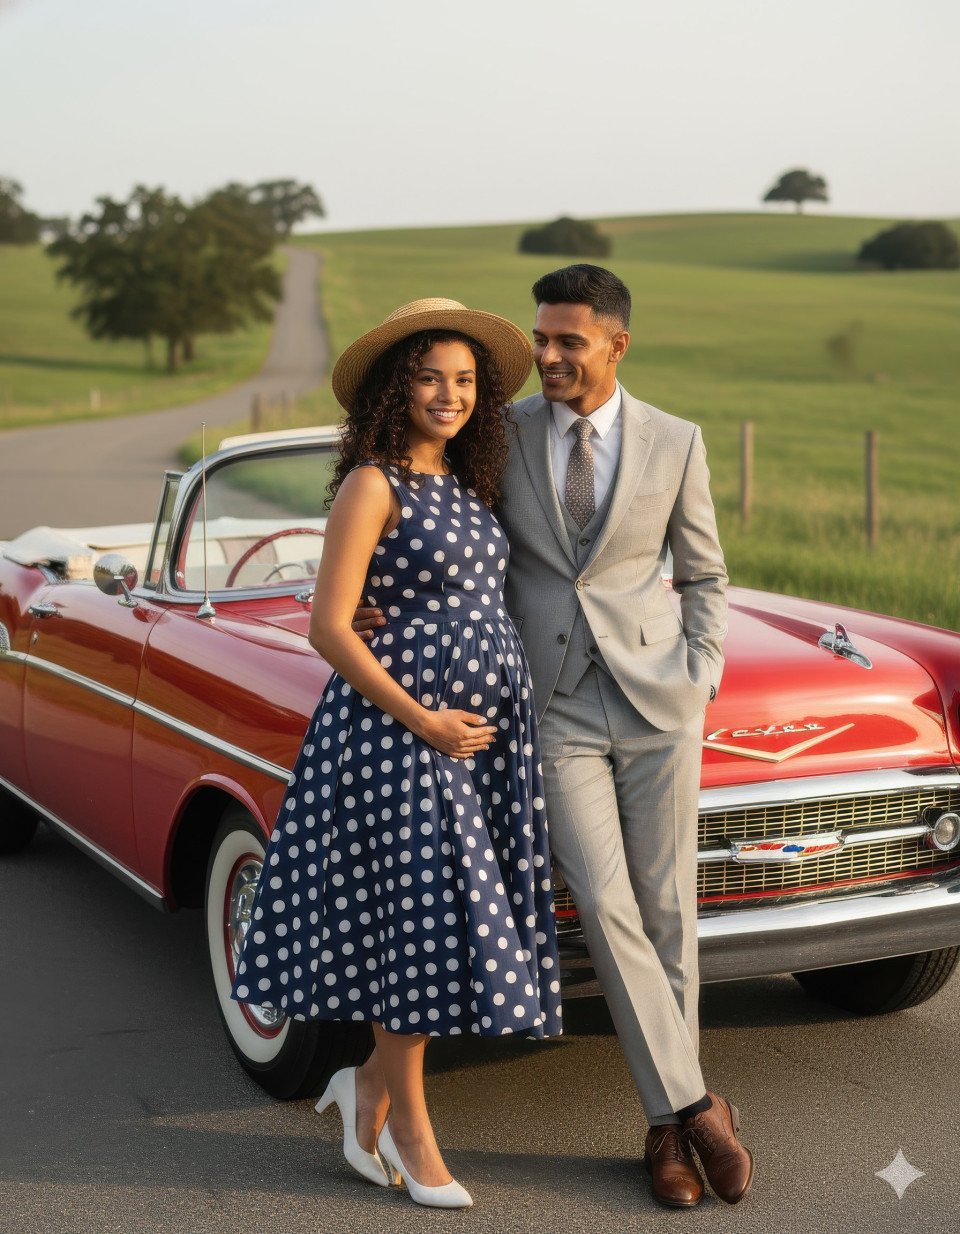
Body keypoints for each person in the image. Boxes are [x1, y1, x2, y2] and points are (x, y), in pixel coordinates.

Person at [357, 265, 753, 1208]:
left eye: (568, 341)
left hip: (660, 698)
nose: (546, 356)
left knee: (668, 917)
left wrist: (699, 677)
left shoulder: (679, 441)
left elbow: (706, 575)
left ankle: (665, 1133)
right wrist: (373, 601)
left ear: (616, 344)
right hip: (549, 701)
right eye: (541, 338)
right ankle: (699, 1105)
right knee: (608, 904)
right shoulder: (502, 431)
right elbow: (419, 517)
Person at [230, 298, 562, 1211]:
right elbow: (329, 628)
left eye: (464, 380)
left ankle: (366, 1086)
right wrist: (427, 720)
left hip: (475, 740)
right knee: (416, 926)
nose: (449, 394)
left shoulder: (465, 484)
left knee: (444, 924)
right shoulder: (373, 483)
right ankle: (411, 1130)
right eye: (429, 377)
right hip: (399, 737)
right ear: (394, 388)